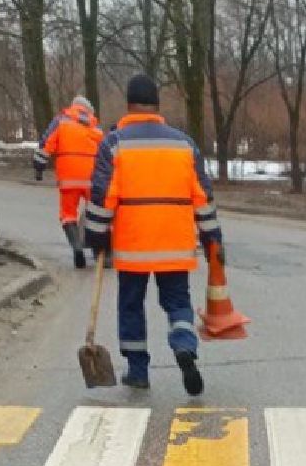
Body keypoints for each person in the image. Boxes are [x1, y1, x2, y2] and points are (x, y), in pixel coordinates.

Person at [84, 74, 222, 394]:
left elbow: (102, 196)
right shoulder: (184, 144)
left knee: (131, 305)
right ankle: (184, 345)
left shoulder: (114, 143)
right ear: (157, 105)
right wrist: (211, 236)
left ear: (129, 104)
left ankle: (138, 371)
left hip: (132, 246)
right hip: (175, 245)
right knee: (177, 302)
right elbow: (203, 196)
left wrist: (96, 234)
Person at [33, 95, 104, 268]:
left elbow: (46, 144)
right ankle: (99, 249)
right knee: (97, 212)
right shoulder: (95, 128)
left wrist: (39, 167)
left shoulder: (61, 122)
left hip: (68, 178)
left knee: (68, 214)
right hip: (92, 177)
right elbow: (105, 154)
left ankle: (77, 248)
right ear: (89, 111)